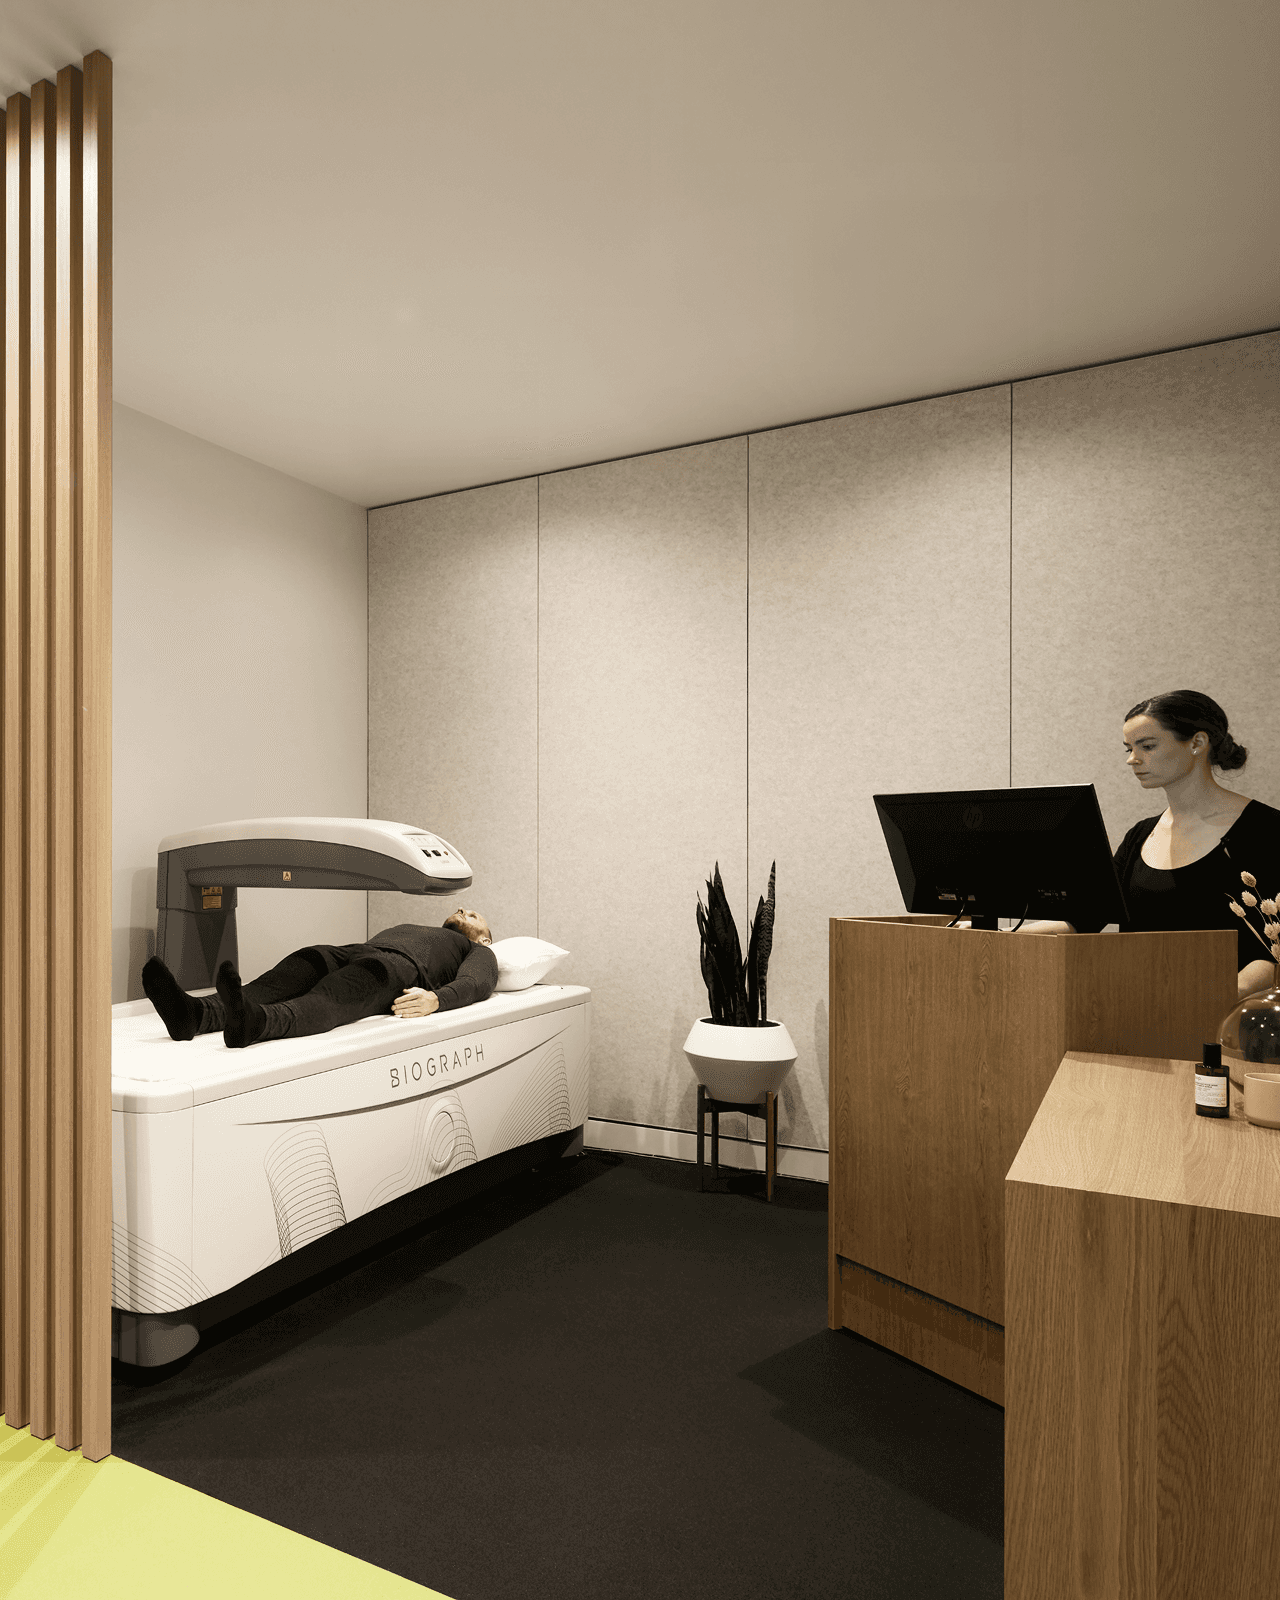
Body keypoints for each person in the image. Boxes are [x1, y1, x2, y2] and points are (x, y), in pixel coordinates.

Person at [1115, 690, 1280, 1001]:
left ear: (1197, 743)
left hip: (1232, 1027)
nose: (1131, 759)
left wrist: (1213, 997)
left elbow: (1272, 951)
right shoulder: (1140, 835)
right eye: (1129, 748)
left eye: (1147, 746)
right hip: (1138, 1014)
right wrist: (997, 935)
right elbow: (1082, 919)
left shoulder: (1266, 831)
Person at [142, 906, 498, 1049]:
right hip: (352, 949)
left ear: (485, 937)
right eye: (463, 908)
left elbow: (477, 983)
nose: (463, 909)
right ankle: (195, 1014)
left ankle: (257, 1023)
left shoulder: (479, 951)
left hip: (394, 969)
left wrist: (436, 1000)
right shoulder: (419, 927)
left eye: (474, 913)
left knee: (328, 998)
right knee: (281, 976)